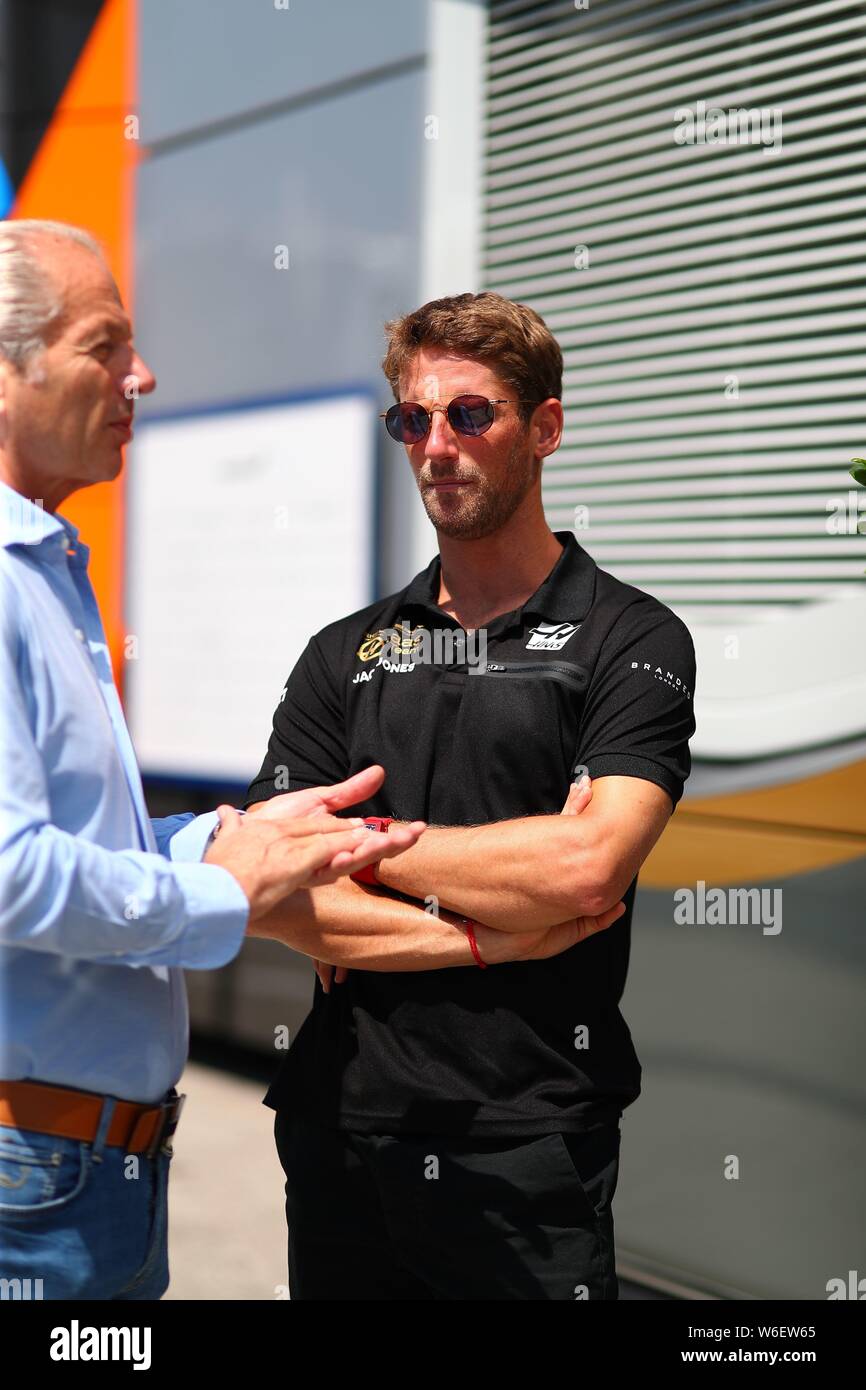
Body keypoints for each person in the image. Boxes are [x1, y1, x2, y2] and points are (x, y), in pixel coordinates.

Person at [0, 219, 431, 1301]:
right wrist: (219, 892)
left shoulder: (42, 563)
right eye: (106, 344)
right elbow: (11, 875)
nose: (139, 373)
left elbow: (65, 840)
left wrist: (224, 838)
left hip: (79, 1172)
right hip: (35, 1181)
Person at [246, 291, 697, 1300]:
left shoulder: (630, 640)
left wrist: (349, 843)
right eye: (412, 418)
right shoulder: (343, 651)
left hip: (522, 1143)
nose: (435, 445)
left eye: (469, 414)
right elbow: (266, 886)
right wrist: (490, 933)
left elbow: (584, 867)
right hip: (337, 1130)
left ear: (543, 427)